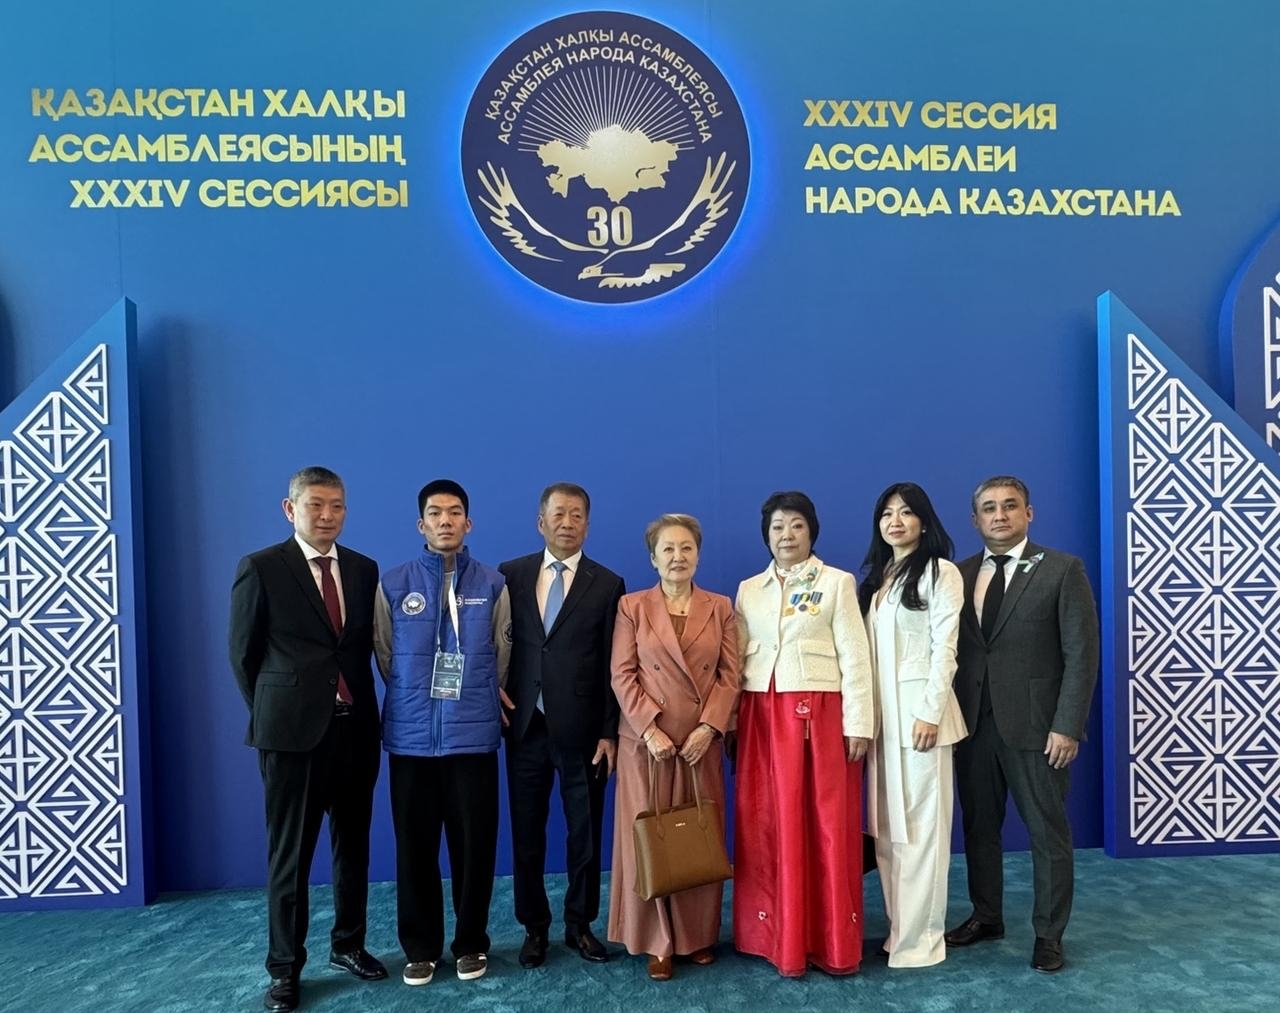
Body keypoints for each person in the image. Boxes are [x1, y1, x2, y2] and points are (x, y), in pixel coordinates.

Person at [229, 466, 386, 1013]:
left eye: (337, 506)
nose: (327, 515)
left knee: (354, 847)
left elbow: (362, 649)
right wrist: (281, 713)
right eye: (316, 505)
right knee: (290, 856)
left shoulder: (365, 569)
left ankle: (349, 945)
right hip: (291, 737)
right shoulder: (262, 568)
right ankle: (285, 969)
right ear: (289, 509)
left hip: (356, 730)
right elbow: (243, 657)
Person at [944, 476, 1099, 974]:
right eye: (989, 508)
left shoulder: (1061, 569)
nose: (1000, 515)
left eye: (1010, 506)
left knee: (1046, 832)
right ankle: (986, 916)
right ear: (975, 520)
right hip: (972, 726)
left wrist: (1068, 725)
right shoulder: (957, 575)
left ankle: (1049, 934)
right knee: (979, 828)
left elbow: (1082, 655)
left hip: (1038, 728)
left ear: (1029, 513)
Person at [374, 479, 512, 986]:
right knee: (414, 849)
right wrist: (416, 695)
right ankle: (420, 947)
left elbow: (502, 655)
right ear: (421, 525)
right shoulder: (393, 584)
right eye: (436, 513)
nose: (446, 521)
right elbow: (386, 655)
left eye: (455, 513)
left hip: (472, 737)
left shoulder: (493, 584)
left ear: (468, 523)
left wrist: (473, 694)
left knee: (474, 849)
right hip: (410, 738)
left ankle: (472, 942)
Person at [732, 491, 874, 977]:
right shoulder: (749, 588)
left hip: (815, 713)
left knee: (822, 822)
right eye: (776, 527)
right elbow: (738, 658)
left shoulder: (836, 582)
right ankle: (770, 936)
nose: (785, 535)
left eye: (795, 525)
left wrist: (859, 722)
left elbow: (855, 655)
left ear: (811, 530)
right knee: (766, 820)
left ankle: (829, 941)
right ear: (765, 534)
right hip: (758, 713)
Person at [608, 514, 740, 981]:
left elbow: (730, 675)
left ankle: (698, 937)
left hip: (700, 744)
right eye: (668, 549)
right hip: (647, 745)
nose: (677, 557)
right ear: (653, 557)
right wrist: (648, 729)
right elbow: (621, 675)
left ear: (698, 555)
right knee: (651, 841)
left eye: (686, 548)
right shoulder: (632, 607)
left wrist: (710, 728)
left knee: (697, 836)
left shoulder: (721, 607)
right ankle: (656, 942)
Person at [499, 483, 626, 968]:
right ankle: (534, 927)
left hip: (584, 730)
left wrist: (609, 731)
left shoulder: (607, 583)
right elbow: (497, 644)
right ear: (540, 521)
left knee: (584, 832)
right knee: (527, 832)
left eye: (577, 515)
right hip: (525, 725)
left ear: (587, 525)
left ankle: (580, 924)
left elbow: (614, 665)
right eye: (558, 514)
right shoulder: (510, 575)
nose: (567, 522)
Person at [857, 482, 966, 968]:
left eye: (906, 512)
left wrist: (930, 711)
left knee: (922, 832)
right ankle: (900, 929)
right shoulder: (879, 582)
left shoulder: (940, 573)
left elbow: (946, 648)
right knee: (888, 833)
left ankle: (922, 940)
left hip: (922, 720)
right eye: (886, 513)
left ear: (925, 521)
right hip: (882, 724)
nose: (895, 520)